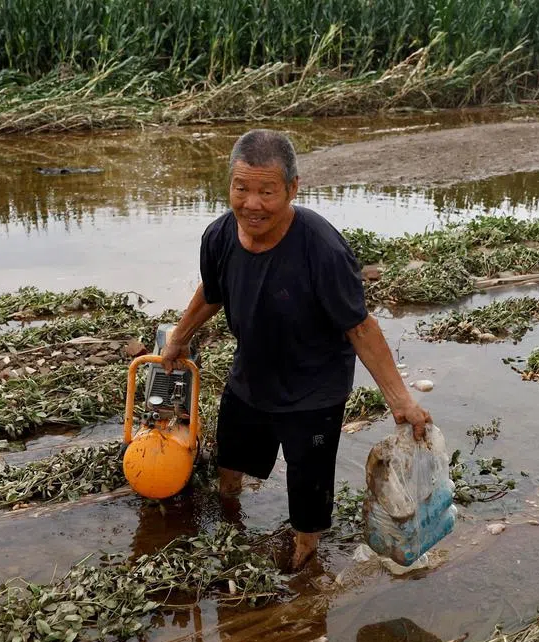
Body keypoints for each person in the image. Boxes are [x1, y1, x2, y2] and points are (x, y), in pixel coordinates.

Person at [161, 128, 432, 570]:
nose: (252, 204)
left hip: (313, 391)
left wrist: (401, 401)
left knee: (308, 499)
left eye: (267, 191)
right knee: (229, 470)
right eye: (241, 188)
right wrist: (179, 338)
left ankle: (305, 562)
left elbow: (360, 327)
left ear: (292, 188)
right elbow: (212, 292)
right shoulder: (219, 236)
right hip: (251, 376)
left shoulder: (321, 248)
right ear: (229, 184)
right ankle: (231, 538)